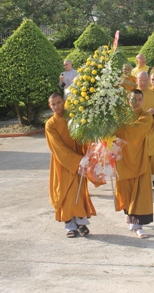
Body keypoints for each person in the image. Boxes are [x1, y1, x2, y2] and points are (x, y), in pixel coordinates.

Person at [45, 92, 95, 238]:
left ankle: (81, 223)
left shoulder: (73, 117)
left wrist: (88, 151)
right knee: (65, 193)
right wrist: (76, 160)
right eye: (53, 104)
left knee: (78, 191)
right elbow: (58, 147)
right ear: (50, 106)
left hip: (79, 158)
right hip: (62, 162)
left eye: (58, 103)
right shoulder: (50, 124)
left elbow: (83, 135)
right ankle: (70, 226)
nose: (56, 106)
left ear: (64, 102)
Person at [114, 89, 154, 239]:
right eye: (133, 99)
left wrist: (117, 125)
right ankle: (128, 214)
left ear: (143, 101)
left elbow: (134, 132)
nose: (136, 102)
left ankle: (137, 226)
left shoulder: (146, 117)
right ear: (128, 100)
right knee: (126, 190)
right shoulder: (121, 116)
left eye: (139, 99)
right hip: (123, 159)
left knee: (139, 192)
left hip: (140, 159)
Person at [136, 71, 154, 189]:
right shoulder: (132, 96)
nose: (143, 83)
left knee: (153, 157)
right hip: (138, 132)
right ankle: (141, 181)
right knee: (139, 157)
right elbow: (127, 113)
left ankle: (153, 178)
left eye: (145, 80)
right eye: (141, 80)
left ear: (148, 81)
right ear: (136, 81)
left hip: (152, 131)